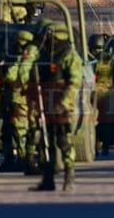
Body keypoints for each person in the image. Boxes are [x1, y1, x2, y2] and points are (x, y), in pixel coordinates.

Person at [32, 21, 83, 191]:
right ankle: (48, 179)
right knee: (46, 143)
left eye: (50, 35)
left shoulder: (69, 55)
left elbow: (75, 82)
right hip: (44, 102)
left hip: (61, 104)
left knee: (63, 139)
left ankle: (69, 175)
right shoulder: (44, 54)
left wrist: (65, 103)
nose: (47, 38)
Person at [0, 30, 40, 173]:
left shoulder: (19, 58)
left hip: (18, 97)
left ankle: (22, 159)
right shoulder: (23, 56)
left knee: (19, 129)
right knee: (13, 129)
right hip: (16, 98)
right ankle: (18, 159)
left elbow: (11, 76)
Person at [90, 34, 114, 157]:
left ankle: (95, 147)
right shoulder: (110, 59)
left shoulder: (90, 58)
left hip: (94, 92)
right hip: (108, 91)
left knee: (93, 121)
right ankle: (106, 146)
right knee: (107, 121)